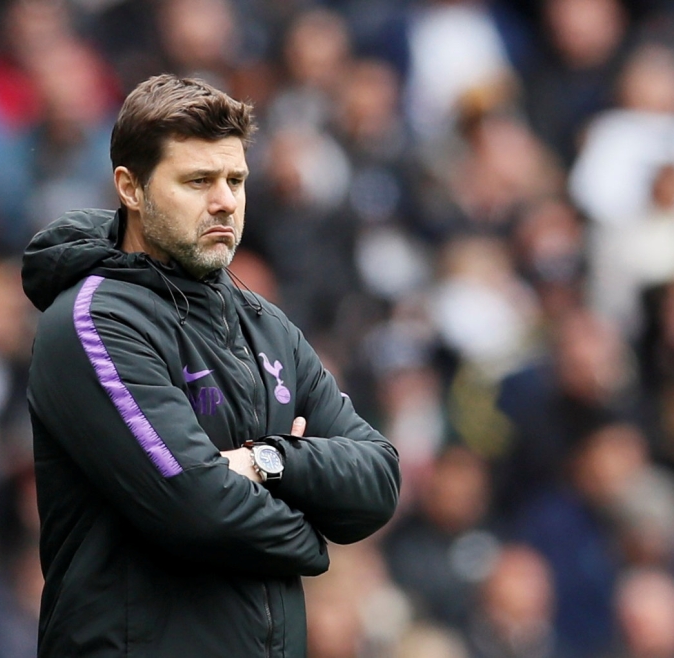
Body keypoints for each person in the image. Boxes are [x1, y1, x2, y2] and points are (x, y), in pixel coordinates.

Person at [21, 74, 401, 657]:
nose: (225, 199)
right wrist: (311, 538)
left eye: (236, 179)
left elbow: (377, 480)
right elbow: (196, 507)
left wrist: (267, 460)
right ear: (131, 188)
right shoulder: (95, 320)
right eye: (198, 180)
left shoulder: (266, 325)